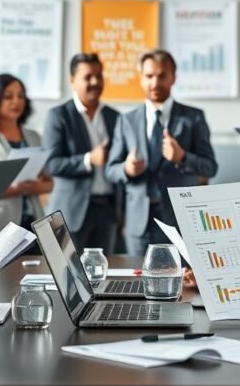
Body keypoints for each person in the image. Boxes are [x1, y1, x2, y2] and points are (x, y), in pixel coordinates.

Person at [106, 49, 218, 257]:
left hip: (180, 222)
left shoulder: (193, 117)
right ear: (141, 79)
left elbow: (210, 167)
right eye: (149, 76)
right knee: (137, 285)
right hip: (138, 223)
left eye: (161, 76)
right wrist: (126, 168)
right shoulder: (127, 120)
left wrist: (182, 157)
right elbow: (111, 170)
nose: (155, 83)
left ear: (173, 78)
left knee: (181, 286)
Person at [43, 53, 122, 253]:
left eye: (99, 75)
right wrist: (89, 159)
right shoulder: (58, 116)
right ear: (72, 80)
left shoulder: (115, 117)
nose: (95, 82)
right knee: (70, 277)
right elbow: (52, 164)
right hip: (71, 211)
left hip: (108, 210)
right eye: (88, 77)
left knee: (105, 274)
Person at [0, 74, 53, 245]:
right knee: (0, 273)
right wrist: (16, 188)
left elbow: (49, 182)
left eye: (21, 96)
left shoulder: (33, 136)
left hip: (34, 226)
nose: (16, 101)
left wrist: (36, 187)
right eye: (8, 96)